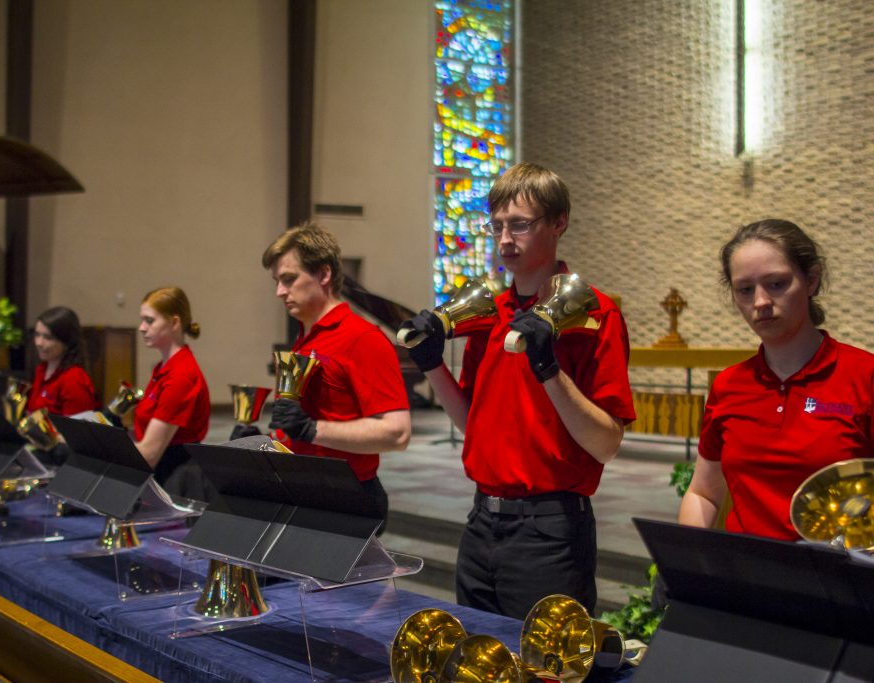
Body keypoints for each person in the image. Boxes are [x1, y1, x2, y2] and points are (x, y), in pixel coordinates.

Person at [402, 162, 635, 619]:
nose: (505, 240)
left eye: (520, 225)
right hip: (480, 523)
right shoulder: (489, 314)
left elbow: (606, 444)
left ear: (558, 223)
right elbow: (474, 425)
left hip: (550, 532)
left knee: (542, 670)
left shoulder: (595, 315)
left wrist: (548, 368)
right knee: (479, 658)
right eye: (497, 226)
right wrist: (430, 364)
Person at [678, 219, 874, 540]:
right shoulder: (729, 386)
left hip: (836, 580)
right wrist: (689, 560)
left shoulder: (864, 376)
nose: (760, 302)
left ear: (811, 280)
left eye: (777, 284)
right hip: (747, 576)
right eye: (745, 289)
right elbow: (704, 493)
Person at [262, 223, 411, 531]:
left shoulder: (362, 338)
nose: (279, 292)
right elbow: (298, 429)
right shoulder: (307, 339)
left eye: (289, 279)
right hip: (304, 492)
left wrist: (312, 429)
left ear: (324, 275)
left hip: (345, 501)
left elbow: (397, 433)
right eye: (277, 281)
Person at [133, 286, 210, 487]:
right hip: (162, 472)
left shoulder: (181, 375)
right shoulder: (164, 368)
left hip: (173, 480)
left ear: (174, 322)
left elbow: (150, 453)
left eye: (149, 320)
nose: (141, 327)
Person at [27, 307, 98, 416]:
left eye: (48, 337)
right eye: (37, 335)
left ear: (66, 342)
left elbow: (76, 428)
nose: (39, 343)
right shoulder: (42, 370)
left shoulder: (74, 379)